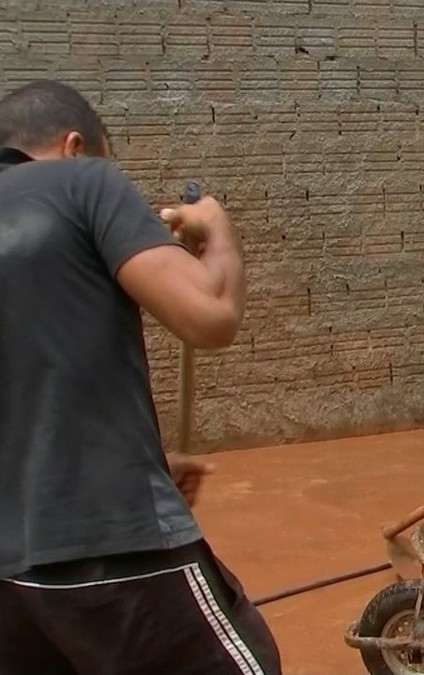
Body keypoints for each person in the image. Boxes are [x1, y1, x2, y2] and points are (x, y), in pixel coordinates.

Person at [0, 80, 280, 675]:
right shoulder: (83, 182)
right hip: (105, 545)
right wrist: (218, 231)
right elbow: (210, 316)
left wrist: (139, 456)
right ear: (75, 145)